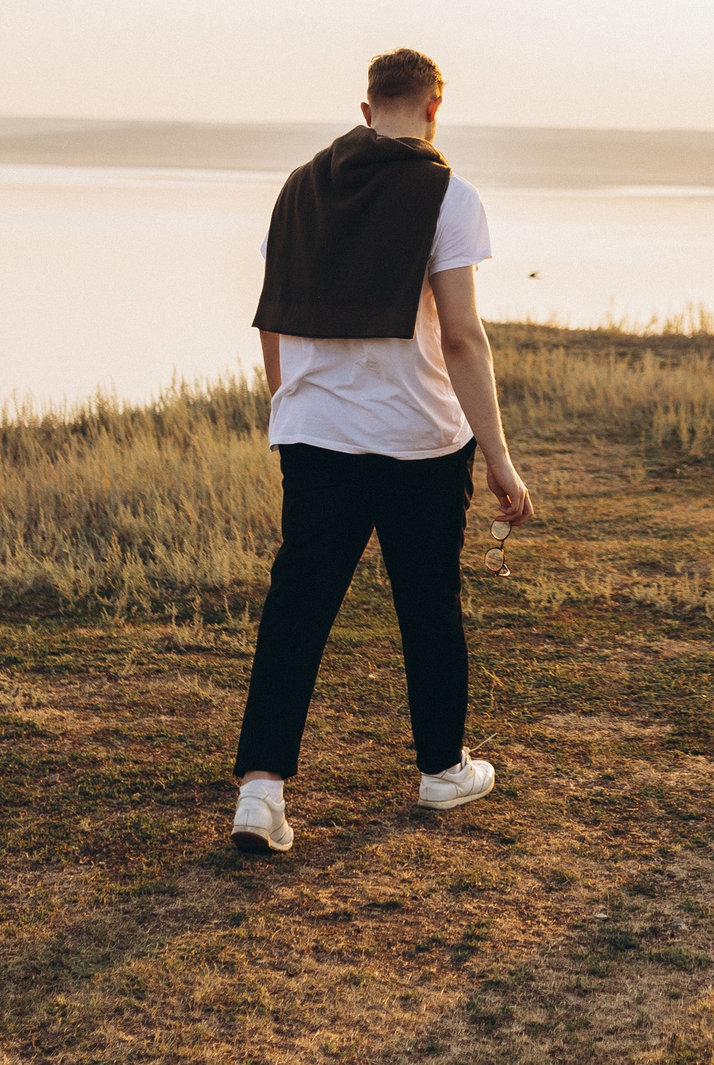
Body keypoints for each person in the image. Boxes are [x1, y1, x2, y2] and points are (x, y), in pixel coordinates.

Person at [228, 48, 535, 855]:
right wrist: (499, 456)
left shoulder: (300, 186)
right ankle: (440, 769)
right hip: (418, 440)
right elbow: (463, 337)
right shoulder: (449, 195)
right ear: (436, 107)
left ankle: (261, 792)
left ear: (367, 110)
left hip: (315, 435)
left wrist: (290, 406)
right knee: (426, 601)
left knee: (297, 609)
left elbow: (271, 318)